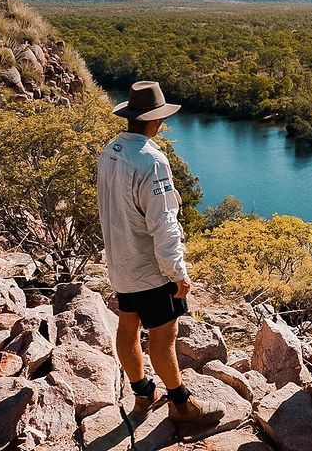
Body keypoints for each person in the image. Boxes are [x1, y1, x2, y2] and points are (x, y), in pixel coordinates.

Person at [98, 81, 225, 424]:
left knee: (127, 327)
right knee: (163, 338)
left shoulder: (110, 150)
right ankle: (181, 405)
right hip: (151, 269)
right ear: (155, 120)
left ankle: (142, 395)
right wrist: (177, 273)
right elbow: (164, 224)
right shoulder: (151, 160)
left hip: (120, 264)